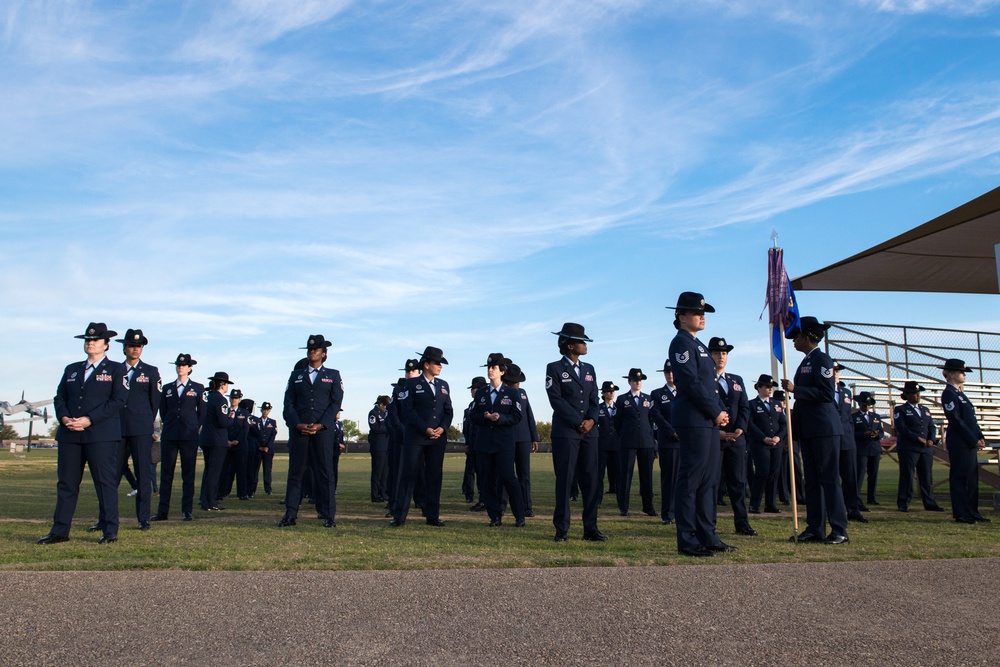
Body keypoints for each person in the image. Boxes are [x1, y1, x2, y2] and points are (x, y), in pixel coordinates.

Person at [39, 323, 129, 545]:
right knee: (66, 484)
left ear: (106, 345)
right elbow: (59, 397)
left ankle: (109, 530)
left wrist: (89, 419)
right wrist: (64, 418)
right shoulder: (72, 369)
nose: (90, 343)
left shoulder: (117, 370)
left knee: (104, 483)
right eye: (87, 340)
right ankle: (60, 531)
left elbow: (118, 400)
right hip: (70, 435)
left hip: (101, 435)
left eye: (96, 340)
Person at [668, 294, 733, 557]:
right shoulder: (681, 344)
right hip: (693, 420)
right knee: (691, 480)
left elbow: (710, 385)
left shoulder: (700, 346)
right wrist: (715, 411)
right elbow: (691, 384)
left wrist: (721, 412)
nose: (702, 316)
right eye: (697, 312)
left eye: (703, 312)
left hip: (707, 420)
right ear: (682, 316)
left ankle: (708, 534)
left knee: (708, 481)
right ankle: (688, 539)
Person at [781, 316, 848, 545]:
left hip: (824, 429)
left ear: (808, 337)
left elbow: (827, 394)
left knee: (829, 479)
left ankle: (839, 529)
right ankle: (815, 527)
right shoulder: (807, 361)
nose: (793, 341)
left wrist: (796, 389)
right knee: (812, 481)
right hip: (809, 430)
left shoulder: (822, 360)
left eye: (797, 336)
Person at [544, 323, 605, 543]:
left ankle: (591, 528)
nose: (584, 344)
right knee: (565, 480)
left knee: (591, 481)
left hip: (589, 433)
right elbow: (556, 400)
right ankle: (561, 528)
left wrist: (591, 420)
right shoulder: (554, 368)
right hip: (566, 432)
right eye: (581, 341)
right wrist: (578, 421)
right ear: (569, 345)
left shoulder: (589, 369)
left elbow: (594, 400)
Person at [280, 334, 344, 528]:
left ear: (324, 353)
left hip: (323, 432)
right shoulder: (296, 375)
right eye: (310, 349)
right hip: (300, 431)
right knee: (296, 473)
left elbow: (335, 403)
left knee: (325, 473)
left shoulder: (333, 375)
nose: (312, 352)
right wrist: (296, 424)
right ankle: (290, 514)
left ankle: (328, 515)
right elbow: (288, 403)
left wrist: (322, 424)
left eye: (316, 349)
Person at [391, 346, 454, 527]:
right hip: (416, 438)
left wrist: (442, 428)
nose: (440, 366)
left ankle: (432, 515)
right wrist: (424, 428)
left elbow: (448, 411)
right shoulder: (411, 384)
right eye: (437, 363)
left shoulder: (443, 385)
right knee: (408, 475)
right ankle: (399, 515)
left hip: (437, 439)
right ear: (426, 364)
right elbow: (408, 411)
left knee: (434, 476)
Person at [113, 328, 161, 531]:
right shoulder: (115, 370)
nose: (135, 349)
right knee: (111, 475)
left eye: (139, 346)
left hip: (141, 429)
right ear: (124, 348)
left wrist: (147, 423)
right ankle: (106, 518)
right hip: (116, 428)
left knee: (143, 474)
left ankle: (143, 518)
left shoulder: (150, 371)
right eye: (132, 345)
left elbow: (155, 401)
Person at [471, 353, 525, 527]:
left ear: (502, 371)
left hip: (504, 443)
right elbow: (473, 416)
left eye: (494, 368)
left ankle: (519, 515)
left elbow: (517, 417)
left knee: (508, 478)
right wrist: (485, 417)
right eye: (489, 367)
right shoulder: (481, 394)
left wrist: (500, 418)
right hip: (484, 443)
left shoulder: (512, 393)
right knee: (486, 480)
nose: (490, 371)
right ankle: (494, 516)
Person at [709, 337, 755, 537]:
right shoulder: (705, 379)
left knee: (738, 482)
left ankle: (742, 524)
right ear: (710, 355)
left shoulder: (736, 380)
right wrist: (715, 431)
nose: (721, 357)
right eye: (717, 353)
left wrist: (741, 429)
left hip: (736, 439)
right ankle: (710, 524)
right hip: (715, 439)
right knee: (712, 483)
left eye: (724, 353)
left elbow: (745, 407)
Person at [154, 353, 204, 522]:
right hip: (170, 435)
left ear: (189, 368)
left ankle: (187, 511)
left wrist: (194, 427)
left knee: (188, 474)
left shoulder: (198, 388)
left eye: (184, 365)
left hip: (188, 436)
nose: (180, 367)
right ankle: (163, 511)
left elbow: (202, 413)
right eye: (178, 365)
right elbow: (164, 410)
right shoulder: (167, 388)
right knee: (166, 474)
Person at [940, 358, 989, 524]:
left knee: (971, 478)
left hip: (968, 441)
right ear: (952, 374)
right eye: (961, 372)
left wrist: (980, 436)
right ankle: (961, 513)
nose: (964, 375)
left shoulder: (960, 394)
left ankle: (972, 511)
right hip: (960, 441)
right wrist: (972, 439)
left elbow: (971, 419)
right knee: (960, 477)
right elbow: (956, 420)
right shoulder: (948, 393)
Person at [893, 381, 943, 512]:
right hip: (909, 447)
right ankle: (903, 502)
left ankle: (929, 502)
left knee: (926, 475)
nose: (917, 395)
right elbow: (901, 428)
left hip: (925, 448)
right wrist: (917, 438)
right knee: (907, 475)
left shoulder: (925, 410)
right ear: (907, 395)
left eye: (918, 393)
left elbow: (931, 426)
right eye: (914, 393)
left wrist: (931, 439)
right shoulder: (900, 409)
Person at [614, 368, 656, 518]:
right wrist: (624, 435)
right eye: (634, 380)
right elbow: (616, 421)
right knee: (625, 475)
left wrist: (650, 437)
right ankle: (623, 507)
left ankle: (648, 506)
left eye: (639, 380)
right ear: (629, 382)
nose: (637, 383)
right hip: (628, 441)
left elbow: (651, 420)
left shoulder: (648, 399)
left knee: (647, 476)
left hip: (646, 442)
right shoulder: (621, 399)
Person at [747, 374, 787, 515]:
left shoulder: (776, 404)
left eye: (771, 387)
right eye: (766, 387)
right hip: (760, 444)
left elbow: (783, 423)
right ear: (759, 387)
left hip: (776, 443)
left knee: (773, 473)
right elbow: (750, 424)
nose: (769, 390)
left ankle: (770, 504)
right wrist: (763, 438)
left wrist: (779, 437)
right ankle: (754, 504)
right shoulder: (751, 404)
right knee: (762, 472)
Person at [504, 362, 539, 518]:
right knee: (506, 474)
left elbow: (529, 415)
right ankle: (502, 506)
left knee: (524, 474)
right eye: (515, 380)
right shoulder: (501, 393)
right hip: (506, 438)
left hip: (524, 438)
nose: (518, 383)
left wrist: (534, 437)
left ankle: (527, 506)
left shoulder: (523, 393)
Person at [833, 364, 866, 522]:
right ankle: (831, 510)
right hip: (830, 438)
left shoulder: (845, 392)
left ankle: (853, 509)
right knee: (830, 476)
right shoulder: (823, 391)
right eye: (833, 371)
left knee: (850, 476)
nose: (836, 374)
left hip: (847, 439)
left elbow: (847, 416)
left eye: (838, 371)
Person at [199, 372, 235, 512]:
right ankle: (211, 501)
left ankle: (204, 499)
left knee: (208, 470)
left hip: (206, 438)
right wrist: (230, 419)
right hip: (217, 440)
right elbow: (222, 421)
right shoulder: (221, 400)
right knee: (214, 472)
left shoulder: (208, 398)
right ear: (223, 385)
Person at [650, 360, 679, 525]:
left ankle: (683, 511)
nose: (670, 375)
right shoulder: (657, 394)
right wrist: (672, 432)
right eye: (667, 372)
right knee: (669, 479)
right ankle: (668, 513)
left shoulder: (685, 391)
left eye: (672, 372)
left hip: (685, 441)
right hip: (668, 442)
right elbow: (656, 416)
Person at [853, 392, 884, 509]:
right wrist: (863, 434)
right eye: (864, 405)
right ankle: (856, 497)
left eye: (868, 405)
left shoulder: (876, 417)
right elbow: (852, 433)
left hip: (874, 448)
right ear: (860, 404)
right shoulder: (854, 417)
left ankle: (872, 498)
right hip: (861, 449)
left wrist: (877, 435)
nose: (866, 407)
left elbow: (881, 431)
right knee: (860, 474)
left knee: (873, 474)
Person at [462, 376, 487, 508]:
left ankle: (484, 498)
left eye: (474, 389)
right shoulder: (471, 406)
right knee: (473, 469)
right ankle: (474, 495)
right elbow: (467, 427)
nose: (472, 392)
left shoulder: (485, 403)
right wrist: (467, 443)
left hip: (482, 442)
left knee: (483, 472)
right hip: (472, 443)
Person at [596, 380, 620, 508]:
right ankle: (598, 499)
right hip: (602, 445)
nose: (612, 393)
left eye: (613, 391)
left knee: (618, 474)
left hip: (616, 445)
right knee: (599, 474)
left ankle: (620, 501)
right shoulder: (598, 408)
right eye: (609, 391)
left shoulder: (618, 408)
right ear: (604, 393)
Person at [251, 401, 277, 496]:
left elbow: (272, 436)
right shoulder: (256, 422)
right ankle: (252, 490)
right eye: (264, 410)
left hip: (268, 451)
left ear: (269, 411)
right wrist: (259, 447)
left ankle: (268, 490)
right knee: (254, 471)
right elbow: (254, 436)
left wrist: (267, 447)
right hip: (257, 450)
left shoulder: (273, 422)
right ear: (261, 410)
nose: (265, 412)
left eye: (267, 410)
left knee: (267, 471)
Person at [367, 396, 391, 502]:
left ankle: (383, 493)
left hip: (386, 445)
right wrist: (389, 428)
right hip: (378, 446)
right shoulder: (373, 413)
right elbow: (375, 427)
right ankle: (375, 494)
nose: (386, 409)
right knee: (377, 471)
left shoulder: (386, 414)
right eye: (385, 406)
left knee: (385, 472)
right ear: (381, 404)